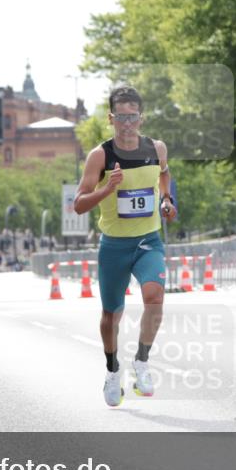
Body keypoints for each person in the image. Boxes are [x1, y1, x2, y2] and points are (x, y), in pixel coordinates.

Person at [73, 85, 177, 407]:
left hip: (149, 240)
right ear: (111, 118)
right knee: (111, 315)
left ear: (141, 118)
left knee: (154, 298)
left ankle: (142, 361)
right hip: (115, 246)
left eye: (133, 117)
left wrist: (167, 200)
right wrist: (108, 188)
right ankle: (112, 370)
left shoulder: (156, 148)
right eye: (121, 117)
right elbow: (78, 205)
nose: (127, 123)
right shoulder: (100, 156)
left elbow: (164, 175)